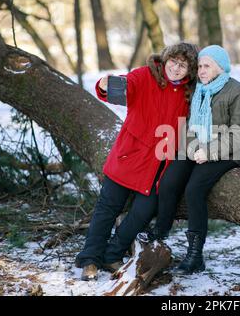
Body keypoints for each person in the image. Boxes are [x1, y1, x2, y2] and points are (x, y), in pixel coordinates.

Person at [75, 42, 199, 281]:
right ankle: (89, 259)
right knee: (107, 209)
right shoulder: (145, 76)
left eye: (182, 65)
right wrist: (105, 85)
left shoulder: (189, 93)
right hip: (128, 156)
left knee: (142, 212)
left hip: (156, 167)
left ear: (189, 70)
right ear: (165, 60)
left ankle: (112, 254)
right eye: (173, 61)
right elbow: (121, 87)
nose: (175, 68)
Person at [145, 45, 240, 274]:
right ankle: (160, 234)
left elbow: (238, 132)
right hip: (196, 148)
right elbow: (189, 126)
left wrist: (209, 152)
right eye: (199, 66)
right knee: (170, 181)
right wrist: (193, 148)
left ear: (220, 68)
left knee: (193, 189)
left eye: (206, 66)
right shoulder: (198, 89)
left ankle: (195, 256)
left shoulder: (236, 90)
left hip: (225, 153)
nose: (201, 70)